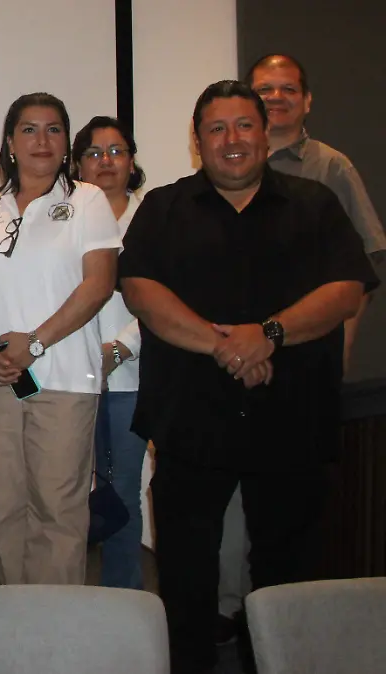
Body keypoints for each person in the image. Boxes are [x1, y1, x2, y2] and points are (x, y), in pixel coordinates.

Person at [118, 80, 377, 674]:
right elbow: (140, 290)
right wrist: (228, 344)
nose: (231, 140)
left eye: (243, 126)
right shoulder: (163, 207)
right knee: (185, 575)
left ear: (264, 134)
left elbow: (345, 289)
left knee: (289, 574)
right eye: (216, 128)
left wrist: (272, 334)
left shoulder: (315, 203)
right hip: (191, 421)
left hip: (293, 418)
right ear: (197, 141)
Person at [211, 53, 386, 641]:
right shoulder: (221, 172)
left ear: (306, 101)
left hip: (304, 359)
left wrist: (338, 352)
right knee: (230, 497)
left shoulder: (330, 168)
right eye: (267, 89)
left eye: (289, 89)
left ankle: (288, 625)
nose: (278, 98)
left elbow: (358, 273)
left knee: (289, 508)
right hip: (234, 359)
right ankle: (235, 614)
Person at [0, 94, 119, 589]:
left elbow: (99, 284)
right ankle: (15, 623)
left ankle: (58, 635)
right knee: (8, 509)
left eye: (53, 130)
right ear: (9, 142)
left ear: (66, 142)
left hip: (64, 379)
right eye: (29, 129)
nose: (41, 141)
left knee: (58, 511)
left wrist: (37, 344)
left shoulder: (86, 200)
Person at [71, 115, 148, 589]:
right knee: (68, 494)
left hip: (131, 380)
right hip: (71, 378)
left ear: (132, 161)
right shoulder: (65, 215)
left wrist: (122, 347)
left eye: (117, 151)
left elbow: (169, 294)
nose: (106, 162)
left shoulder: (154, 215)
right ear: (77, 163)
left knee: (121, 493)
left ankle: (125, 598)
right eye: (94, 153)